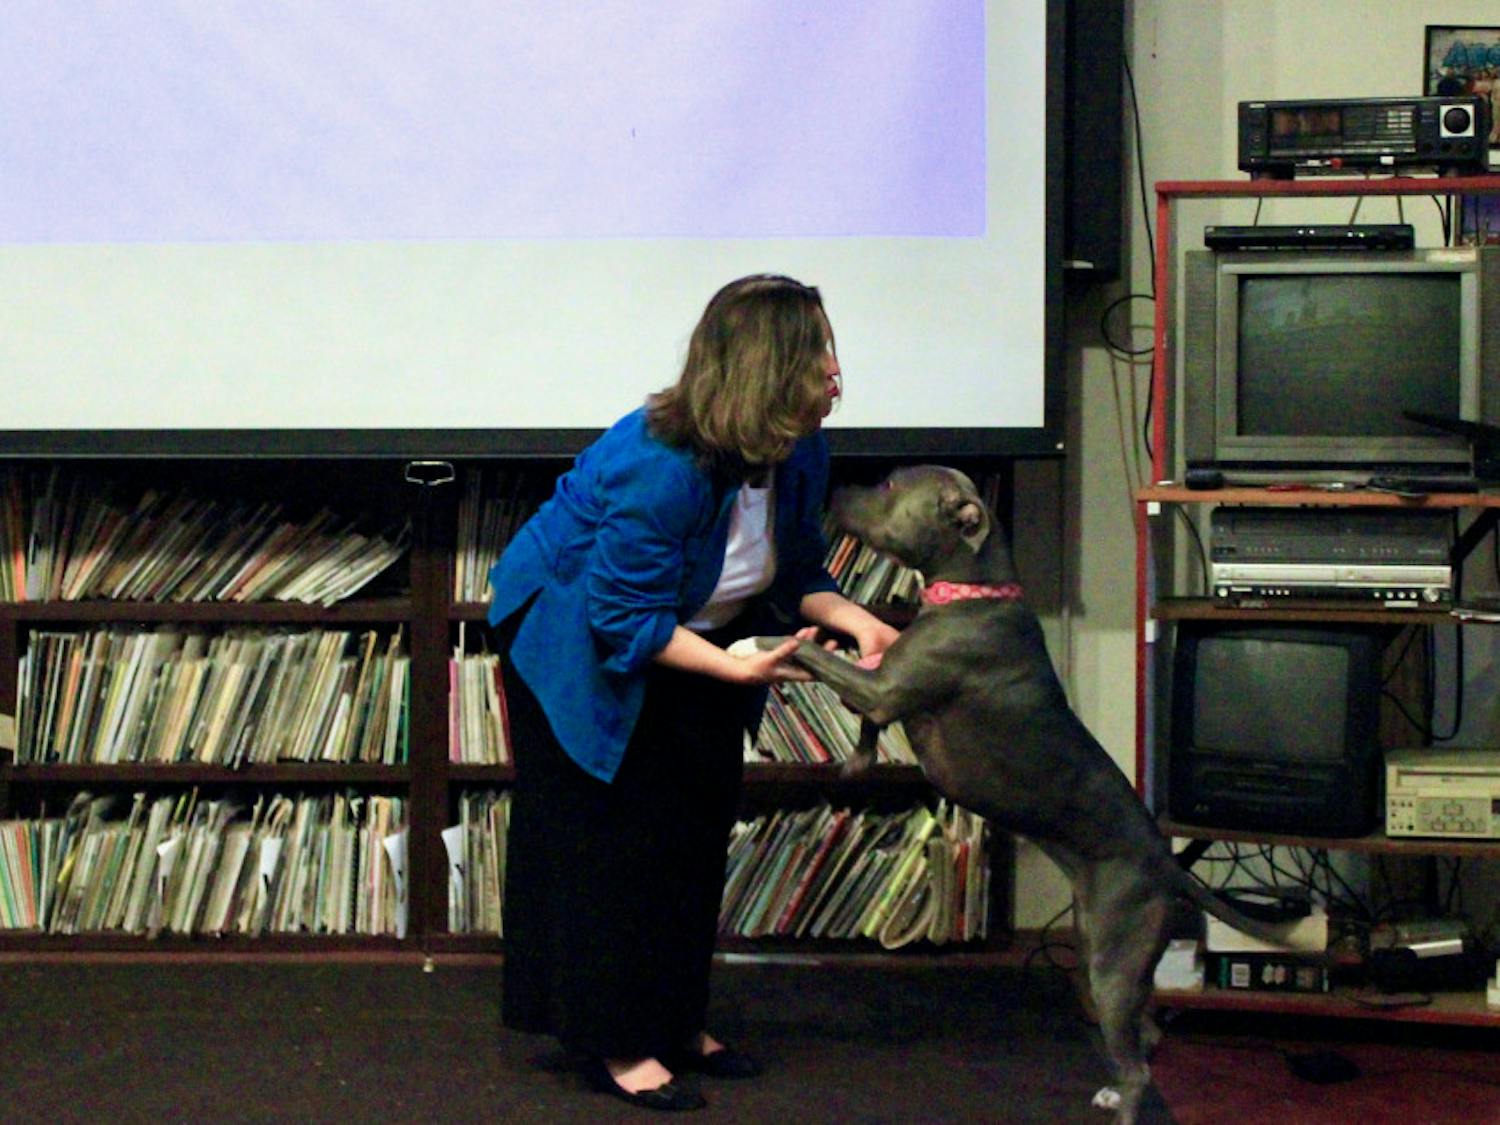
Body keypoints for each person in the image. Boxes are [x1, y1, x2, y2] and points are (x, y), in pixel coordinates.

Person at [487, 273, 900, 1112]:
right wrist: (733, 670)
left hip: (691, 632)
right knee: (614, 843)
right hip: (574, 636)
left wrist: (857, 621)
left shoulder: (799, 447)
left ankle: (676, 1019)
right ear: (766, 368)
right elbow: (620, 618)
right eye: (818, 351)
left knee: (694, 822)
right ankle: (619, 1039)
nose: (835, 371)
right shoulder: (660, 465)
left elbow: (799, 571)